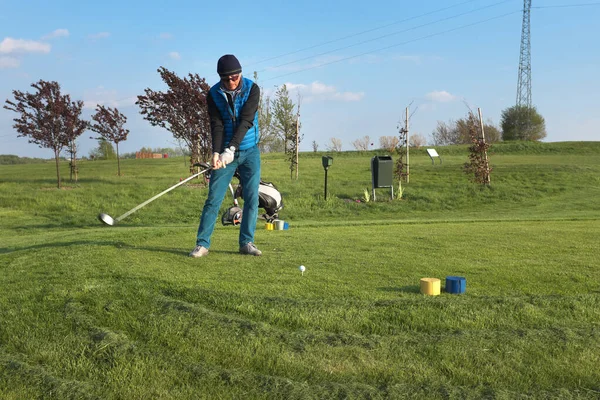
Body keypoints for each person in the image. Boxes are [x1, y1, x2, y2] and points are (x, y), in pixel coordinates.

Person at [189, 54, 262, 257]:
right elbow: (217, 124)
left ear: (240, 74)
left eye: (234, 77)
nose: (230, 82)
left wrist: (231, 149)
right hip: (224, 154)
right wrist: (216, 152)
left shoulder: (252, 89)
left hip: (250, 151)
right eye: (225, 79)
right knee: (214, 198)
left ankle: (246, 243)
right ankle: (202, 244)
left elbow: (246, 121)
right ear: (220, 78)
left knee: (251, 198)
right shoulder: (213, 94)